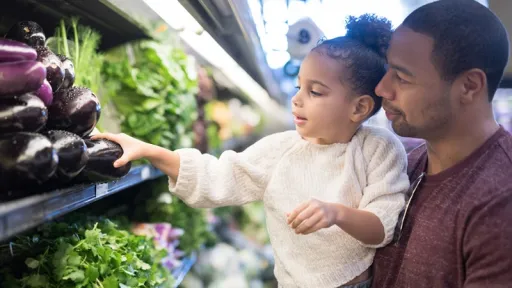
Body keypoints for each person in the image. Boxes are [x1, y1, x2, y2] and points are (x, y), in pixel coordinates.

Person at [93, 14, 409, 288]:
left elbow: (382, 227)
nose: (297, 99)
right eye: (299, 86)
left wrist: (335, 213)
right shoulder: (281, 150)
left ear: (359, 107)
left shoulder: (380, 149)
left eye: (315, 92)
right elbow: (214, 176)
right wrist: (149, 150)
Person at [372, 1, 512, 287]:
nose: (381, 88)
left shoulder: (501, 199)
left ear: (469, 86)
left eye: (401, 77)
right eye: (388, 70)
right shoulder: (406, 164)